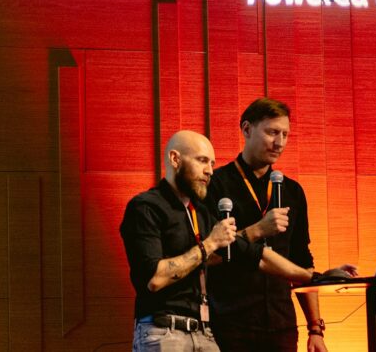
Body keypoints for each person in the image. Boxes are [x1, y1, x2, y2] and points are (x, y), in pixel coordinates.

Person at [121, 129, 346, 351]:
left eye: (212, 163)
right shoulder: (146, 207)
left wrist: (317, 278)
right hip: (164, 330)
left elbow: (256, 255)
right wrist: (210, 244)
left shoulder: (200, 212)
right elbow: (154, 278)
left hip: (203, 331)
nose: (209, 171)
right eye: (202, 161)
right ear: (175, 159)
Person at [205, 98, 343, 352]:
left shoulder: (292, 191)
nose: (279, 143)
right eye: (272, 132)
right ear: (247, 129)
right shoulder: (216, 185)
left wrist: (315, 328)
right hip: (229, 324)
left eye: (285, 134)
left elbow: (302, 259)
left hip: (282, 325)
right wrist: (259, 229)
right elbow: (207, 254)